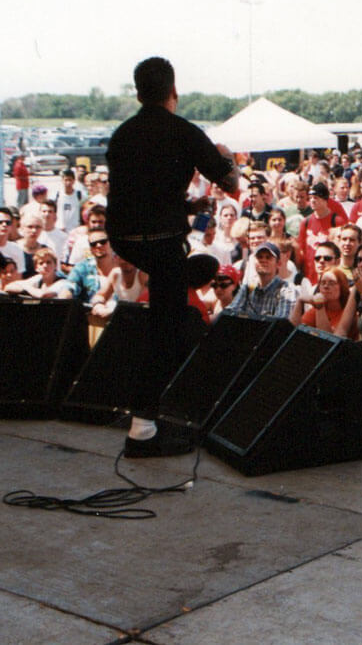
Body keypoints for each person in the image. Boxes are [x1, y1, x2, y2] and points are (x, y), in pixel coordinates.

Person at [106, 56, 238, 458]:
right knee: (165, 330)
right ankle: (143, 431)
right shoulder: (184, 131)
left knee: (173, 305)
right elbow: (230, 183)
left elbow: (139, 195)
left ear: (138, 92)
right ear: (173, 92)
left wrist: (185, 205)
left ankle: (147, 413)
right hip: (162, 243)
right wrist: (224, 153)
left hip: (126, 240)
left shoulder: (121, 135)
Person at [228, 242, 296, 318]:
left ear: (278, 264)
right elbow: (230, 314)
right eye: (259, 257)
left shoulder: (287, 290)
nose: (263, 260)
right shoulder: (247, 288)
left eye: (268, 257)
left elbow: (280, 324)